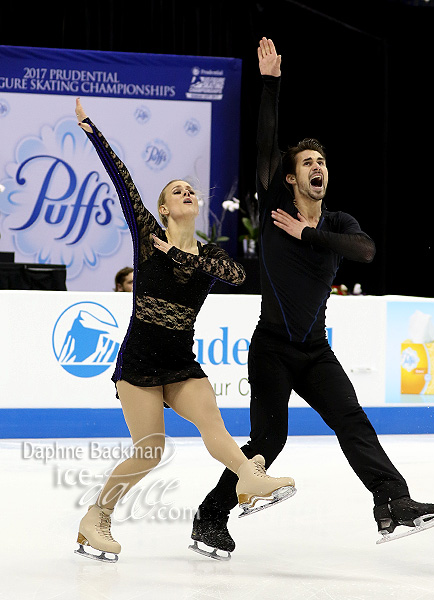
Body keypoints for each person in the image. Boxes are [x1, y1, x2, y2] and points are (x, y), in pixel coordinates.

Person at [191, 37, 434, 557]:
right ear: (291, 176)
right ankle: (210, 515)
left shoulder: (335, 223)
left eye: (321, 161)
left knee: (352, 420)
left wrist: (307, 235)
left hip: (314, 350)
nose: (317, 167)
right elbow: (264, 146)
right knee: (269, 442)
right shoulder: (274, 207)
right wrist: (270, 86)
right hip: (273, 348)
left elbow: (366, 252)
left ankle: (392, 503)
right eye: (307, 161)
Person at [73, 98, 295, 563]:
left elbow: (237, 275)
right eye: (176, 190)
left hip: (181, 362)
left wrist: (178, 257)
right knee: (150, 451)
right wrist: (92, 130)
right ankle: (96, 516)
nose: (185, 192)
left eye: (190, 189)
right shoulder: (146, 237)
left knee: (212, 424)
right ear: (163, 207)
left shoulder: (210, 255)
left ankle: (248, 480)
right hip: (138, 363)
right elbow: (123, 180)